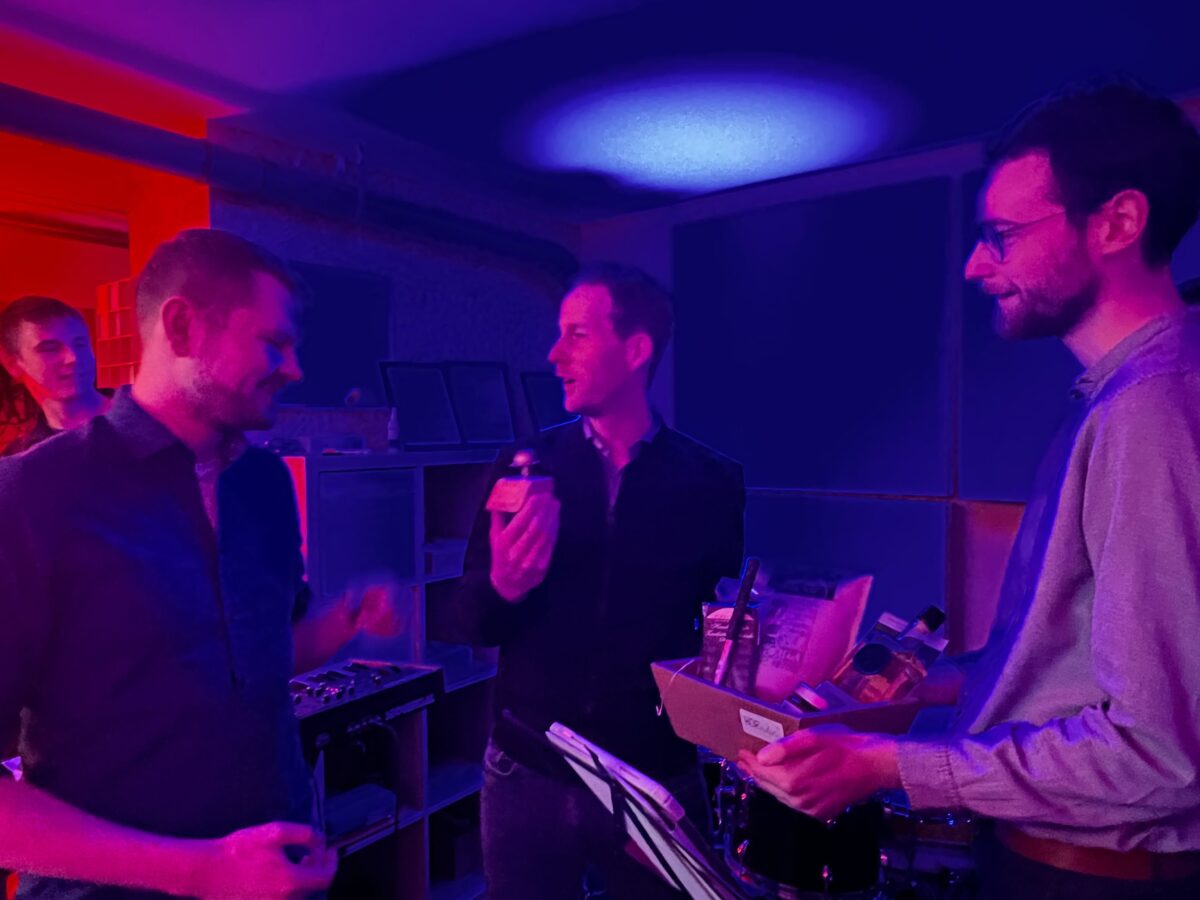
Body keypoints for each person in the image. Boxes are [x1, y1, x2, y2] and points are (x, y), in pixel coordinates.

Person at [742, 77, 1200, 899]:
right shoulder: (1122, 398)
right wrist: (922, 682)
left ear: (1118, 223)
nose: (975, 263)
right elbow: (1074, 670)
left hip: (1093, 879)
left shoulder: (1148, 411)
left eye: (1002, 235)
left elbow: (1161, 754)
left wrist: (886, 765)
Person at [0, 228, 402, 898]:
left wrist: (342, 621)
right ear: (182, 327)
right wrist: (201, 870)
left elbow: (258, 660)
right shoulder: (31, 495)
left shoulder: (265, 484)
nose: (294, 368)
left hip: (280, 877)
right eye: (272, 343)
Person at [448, 263, 745, 898]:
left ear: (636, 351)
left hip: (654, 778)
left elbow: (717, 634)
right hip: (527, 771)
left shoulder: (712, 481)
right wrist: (504, 584)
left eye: (577, 335)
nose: (554, 355)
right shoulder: (524, 465)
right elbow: (469, 618)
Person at [0, 296, 112, 456]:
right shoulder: (24, 458)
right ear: (13, 365)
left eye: (80, 344)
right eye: (50, 348)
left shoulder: (140, 413)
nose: (73, 358)